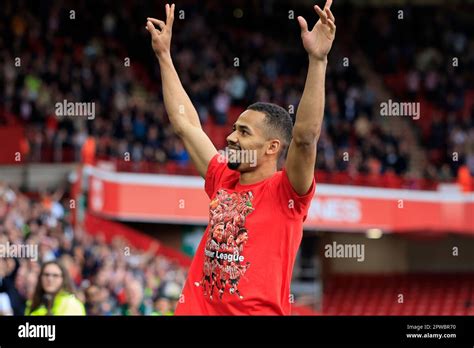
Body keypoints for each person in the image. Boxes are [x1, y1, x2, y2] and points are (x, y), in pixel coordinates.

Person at [145, 1, 335, 315]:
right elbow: (186, 125)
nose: (231, 137)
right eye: (234, 129)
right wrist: (164, 56)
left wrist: (318, 60)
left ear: (272, 147)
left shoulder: (287, 193)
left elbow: (304, 138)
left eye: (244, 132)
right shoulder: (223, 175)